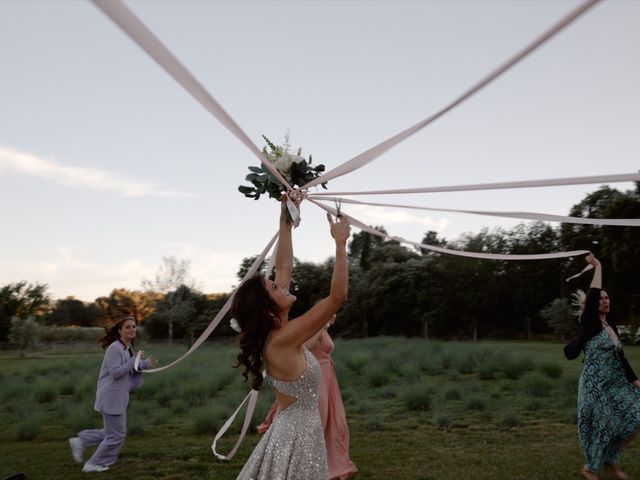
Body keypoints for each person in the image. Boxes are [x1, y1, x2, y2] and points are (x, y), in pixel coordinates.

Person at [232, 197, 350, 480]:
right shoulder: (282, 339)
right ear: (267, 306)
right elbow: (337, 297)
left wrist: (285, 214)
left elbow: (284, 266)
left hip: (297, 431)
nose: (282, 284)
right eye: (274, 287)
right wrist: (340, 243)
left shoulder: (278, 330)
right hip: (297, 438)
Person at [564, 254, 640, 480]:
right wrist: (598, 266)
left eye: (607, 298)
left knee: (637, 416)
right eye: (600, 298)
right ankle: (590, 468)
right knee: (606, 425)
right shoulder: (591, 324)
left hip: (615, 382)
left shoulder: (611, 326)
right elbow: (594, 292)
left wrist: (637, 382)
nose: (605, 300)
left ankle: (611, 456)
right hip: (594, 385)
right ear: (592, 305)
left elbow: (622, 358)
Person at [257, 315, 357, 479]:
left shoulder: (323, 329)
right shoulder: (314, 328)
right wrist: (320, 325)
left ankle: (322, 462)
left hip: (327, 378)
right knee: (318, 418)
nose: (334, 316)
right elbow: (304, 348)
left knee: (332, 420)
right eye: (331, 313)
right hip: (315, 377)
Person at [68, 316, 157, 473]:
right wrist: (134, 360)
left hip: (118, 396)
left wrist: (145, 364)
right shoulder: (114, 348)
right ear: (120, 331)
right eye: (128, 327)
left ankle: (81, 441)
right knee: (116, 435)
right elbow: (116, 372)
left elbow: (130, 368)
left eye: (133, 327)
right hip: (111, 396)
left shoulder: (127, 348)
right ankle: (94, 463)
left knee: (112, 432)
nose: (131, 329)